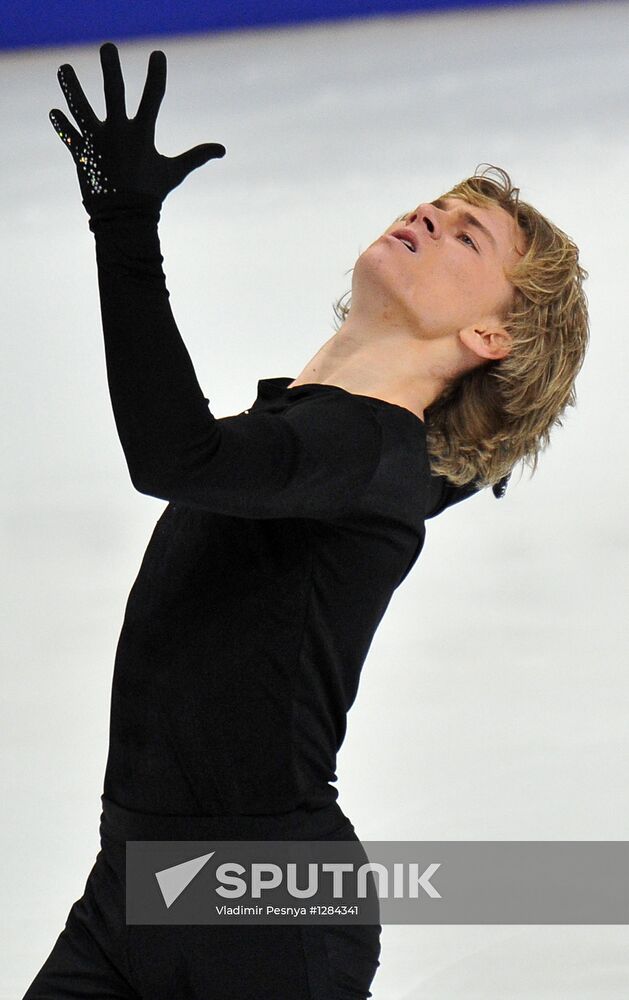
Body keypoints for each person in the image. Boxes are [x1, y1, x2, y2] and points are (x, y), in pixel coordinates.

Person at [22, 41, 589, 1000]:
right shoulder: (354, 452)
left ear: (488, 337)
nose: (431, 216)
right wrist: (477, 459)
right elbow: (386, 489)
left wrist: (123, 226)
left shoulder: (361, 447)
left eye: (466, 238)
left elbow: (176, 459)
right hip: (142, 883)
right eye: (437, 206)